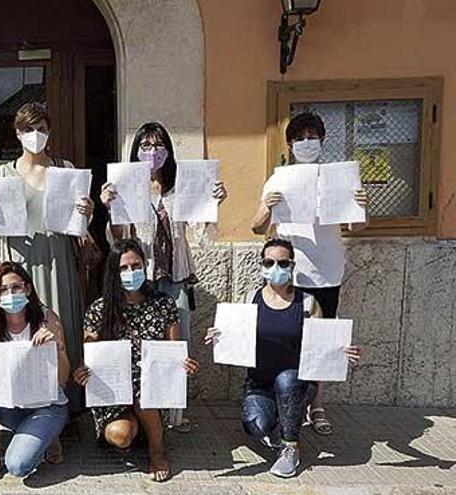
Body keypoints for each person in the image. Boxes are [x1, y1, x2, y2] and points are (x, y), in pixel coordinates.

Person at [101, 121, 226, 431]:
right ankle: (142, 410)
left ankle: (174, 413)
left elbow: (201, 229)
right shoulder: (127, 189)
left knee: (175, 345)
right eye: (145, 146)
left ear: (168, 151)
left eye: (158, 146)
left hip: (175, 277)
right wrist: (110, 208)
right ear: (136, 152)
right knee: (141, 343)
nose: (152, 152)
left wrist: (214, 202)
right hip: (140, 279)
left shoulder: (180, 188)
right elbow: (118, 240)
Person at [250, 112, 368, 436]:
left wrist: (360, 204)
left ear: (322, 140)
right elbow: (258, 226)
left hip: (327, 272)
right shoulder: (280, 179)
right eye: (299, 137)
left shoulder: (337, 178)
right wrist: (267, 205)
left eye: (312, 136)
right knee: (290, 341)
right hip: (288, 273)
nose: (306, 142)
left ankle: (317, 405)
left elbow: (356, 225)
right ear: (289, 143)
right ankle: (291, 399)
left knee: (322, 342)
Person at [204, 238, 361, 477]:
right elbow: (236, 336)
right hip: (259, 384)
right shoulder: (250, 300)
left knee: (287, 381)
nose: (275, 268)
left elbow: (323, 343)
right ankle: (286, 418)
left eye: (282, 262)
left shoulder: (307, 303)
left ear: (292, 266)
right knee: (256, 427)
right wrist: (218, 335)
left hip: (296, 382)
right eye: (269, 262)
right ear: (262, 265)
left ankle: (290, 447)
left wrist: (342, 352)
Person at [0, 102, 93, 410]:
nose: (35, 135)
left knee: (59, 326)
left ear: (49, 131)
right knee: (18, 329)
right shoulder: (3, 172)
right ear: (17, 133)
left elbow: (77, 226)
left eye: (41, 128)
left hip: (57, 261)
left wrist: (87, 213)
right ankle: (20, 401)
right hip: (17, 261)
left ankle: (63, 404)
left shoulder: (65, 170)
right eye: (29, 129)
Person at [73, 239, 199, 483]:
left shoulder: (163, 304)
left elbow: (173, 351)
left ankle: (157, 450)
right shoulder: (100, 309)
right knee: (120, 436)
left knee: (143, 394)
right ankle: (143, 429)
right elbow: (89, 357)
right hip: (112, 393)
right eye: (123, 268)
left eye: (136, 265)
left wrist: (185, 365)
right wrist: (81, 371)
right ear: (114, 273)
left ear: (145, 266)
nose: (131, 272)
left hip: (151, 389)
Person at [0, 262, 71, 484]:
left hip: (47, 405)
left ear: (28, 289)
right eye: (3, 290)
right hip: (11, 404)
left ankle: (47, 435)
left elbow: (63, 379)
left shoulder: (47, 318)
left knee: (19, 466)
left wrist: (58, 348)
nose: (10, 294)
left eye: (16, 287)